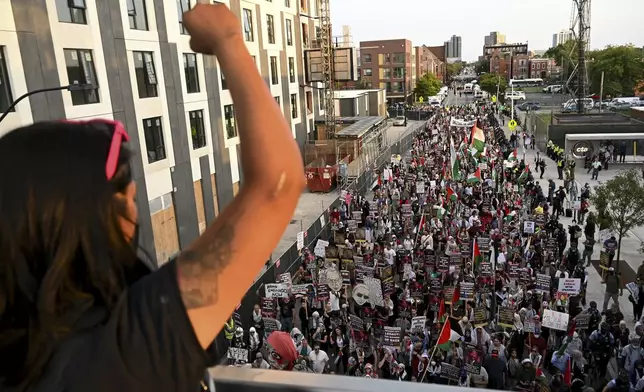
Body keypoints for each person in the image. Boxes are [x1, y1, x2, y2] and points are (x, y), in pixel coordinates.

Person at [0, 4, 305, 391]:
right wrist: (228, 38)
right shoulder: (119, 353)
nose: (134, 216)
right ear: (89, 222)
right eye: (127, 202)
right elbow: (276, 184)